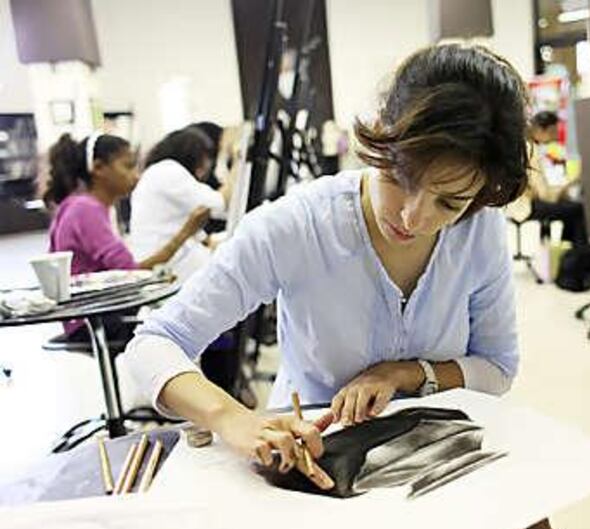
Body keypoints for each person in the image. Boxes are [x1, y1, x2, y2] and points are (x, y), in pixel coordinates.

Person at [121, 43, 530, 472]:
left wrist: (405, 374)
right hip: (312, 456)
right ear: (380, 132)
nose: (414, 217)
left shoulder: (478, 231)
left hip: (437, 458)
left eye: (449, 203)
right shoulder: (300, 225)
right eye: (400, 176)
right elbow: (154, 343)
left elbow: (497, 368)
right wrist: (231, 417)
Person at [44, 132, 210, 340]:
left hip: (91, 315)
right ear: (98, 168)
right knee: (196, 324)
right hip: (95, 320)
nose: (136, 176)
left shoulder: (82, 206)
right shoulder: (86, 209)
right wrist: (186, 232)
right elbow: (131, 272)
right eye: (128, 166)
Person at [128, 127, 234, 280]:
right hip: (166, 270)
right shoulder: (168, 171)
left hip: (169, 268)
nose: (207, 166)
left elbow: (205, 240)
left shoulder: (160, 174)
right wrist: (239, 158)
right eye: (206, 158)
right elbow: (220, 203)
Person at [526, 111, 587, 245]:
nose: (555, 137)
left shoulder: (530, 147)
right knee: (577, 209)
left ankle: (566, 252)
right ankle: (577, 255)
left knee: (570, 206)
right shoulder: (532, 151)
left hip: (526, 202)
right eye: (553, 131)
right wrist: (571, 183)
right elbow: (545, 195)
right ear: (542, 130)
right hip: (526, 206)